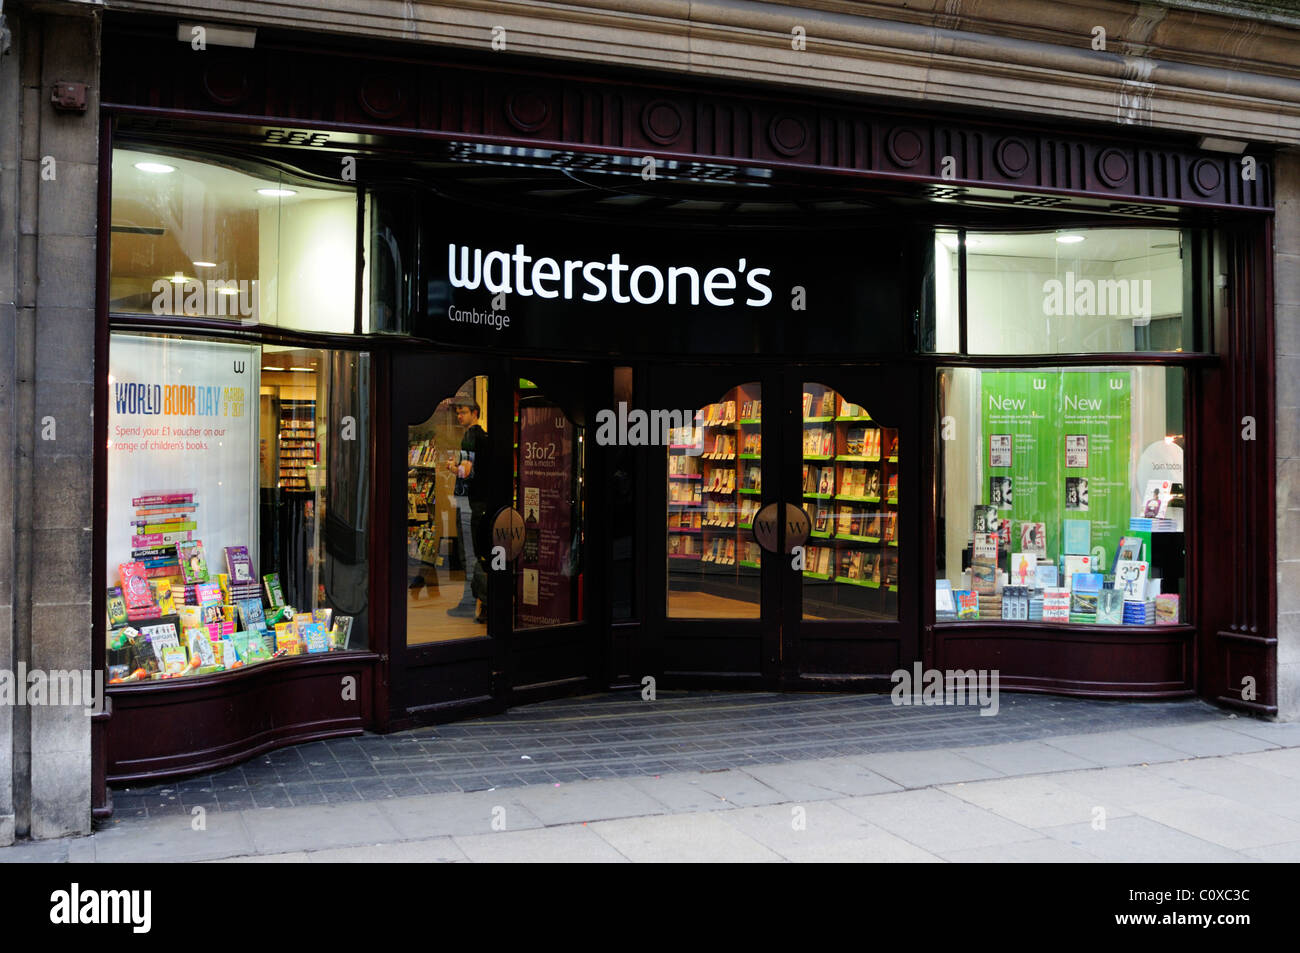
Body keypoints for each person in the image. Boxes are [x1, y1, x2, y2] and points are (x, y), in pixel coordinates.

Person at [447, 388, 489, 623]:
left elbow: (466, 471)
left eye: (462, 412)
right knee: (477, 553)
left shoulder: (470, 437)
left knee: (469, 554)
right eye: (458, 413)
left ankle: (487, 599)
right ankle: (471, 601)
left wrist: (453, 467)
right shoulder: (484, 437)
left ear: (475, 413)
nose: (459, 417)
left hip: (470, 503)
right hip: (482, 501)